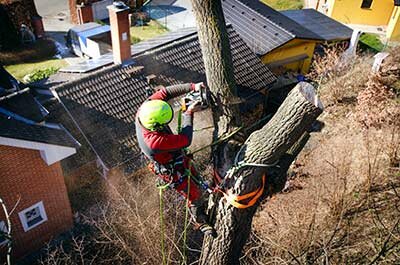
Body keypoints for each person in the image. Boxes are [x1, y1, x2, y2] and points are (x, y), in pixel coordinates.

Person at [135, 83, 216, 237]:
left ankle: (203, 199)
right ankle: (200, 220)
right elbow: (185, 139)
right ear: (157, 126)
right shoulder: (154, 142)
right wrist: (188, 113)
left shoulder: (146, 109)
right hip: (171, 167)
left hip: (176, 156)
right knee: (193, 193)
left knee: (196, 179)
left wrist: (192, 87)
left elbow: (165, 92)